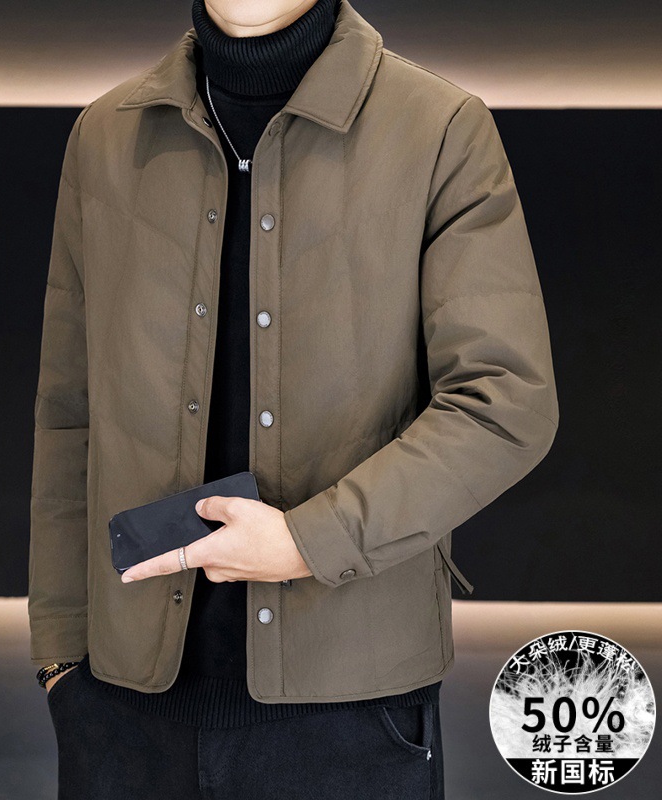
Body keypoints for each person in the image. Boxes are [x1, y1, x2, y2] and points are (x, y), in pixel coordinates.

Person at [28, 0, 559, 797]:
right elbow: (70, 413)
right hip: (121, 711)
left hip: (349, 714)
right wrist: (60, 654)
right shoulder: (105, 136)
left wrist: (311, 542)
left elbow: (505, 400)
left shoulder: (440, 128)